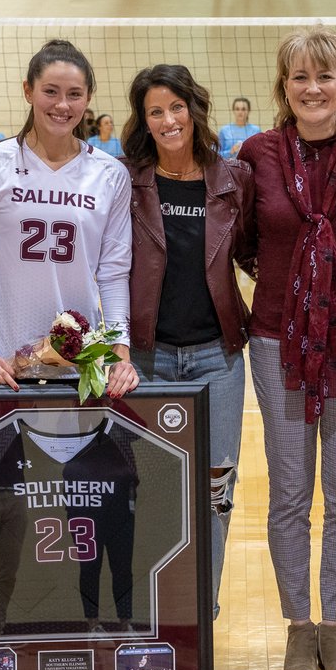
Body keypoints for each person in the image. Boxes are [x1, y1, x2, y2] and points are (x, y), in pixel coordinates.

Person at [238, 26, 336, 670]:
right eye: (300, 77)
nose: (313, 88)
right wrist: (300, 297)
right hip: (278, 337)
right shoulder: (259, 153)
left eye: (325, 76)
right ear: (284, 89)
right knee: (291, 491)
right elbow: (243, 240)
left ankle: (335, 622)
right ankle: (299, 625)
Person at [121, 64, 254, 619]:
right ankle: (150, 609)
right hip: (148, 358)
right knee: (147, 492)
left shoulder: (233, 179)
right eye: (156, 111)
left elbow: (253, 254)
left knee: (213, 491)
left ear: (194, 110)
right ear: (144, 121)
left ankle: (200, 610)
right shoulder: (125, 180)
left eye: (177, 107)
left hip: (216, 358)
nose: (169, 119)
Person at [0, 39, 138, 397]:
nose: (62, 105)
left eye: (74, 94)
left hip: (82, 363)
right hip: (5, 367)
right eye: (50, 91)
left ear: (87, 99)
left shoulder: (110, 174)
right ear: (28, 90)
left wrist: (119, 347)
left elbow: (114, 271)